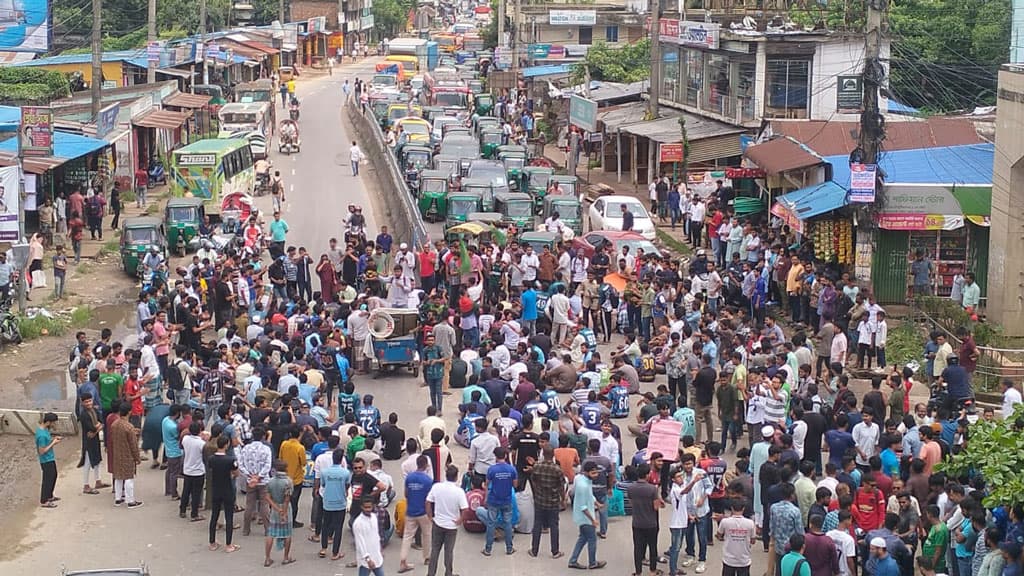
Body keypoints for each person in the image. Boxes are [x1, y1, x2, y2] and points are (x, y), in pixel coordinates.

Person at [426, 465, 469, 576]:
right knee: (448, 551)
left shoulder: (437, 487)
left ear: (446, 475)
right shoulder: (459, 492)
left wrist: (430, 516)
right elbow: (465, 509)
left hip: (438, 523)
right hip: (451, 526)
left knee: (435, 549)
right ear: (456, 477)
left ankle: (431, 573)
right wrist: (460, 520)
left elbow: (428, 501)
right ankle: (448, 573)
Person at [568, 461, 608, 570]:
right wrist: (593, 520)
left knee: (582, 538)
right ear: (586, 472)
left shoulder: (580, 479)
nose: (595, 475)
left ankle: (573, 560)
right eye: (593, 473)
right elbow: (583, 507)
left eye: (596, 473)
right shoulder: (583, 486)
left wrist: (597, 503)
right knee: (592, 539)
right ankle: (592, 562)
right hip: (586, 517)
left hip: (583, 516)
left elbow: (589, 495)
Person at [530, 445, 566, 559]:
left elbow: (533, 480)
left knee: (537, 525)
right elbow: (561, 486)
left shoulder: (537, 466)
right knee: (554, 526)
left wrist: (537, 492)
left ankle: (534, 550)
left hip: (540, 500)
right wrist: (563, 499)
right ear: (553, 455)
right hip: (553, 501)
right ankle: (555, 551)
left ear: (543, 454)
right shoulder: (557, 469)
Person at [480, 446, 517, 556]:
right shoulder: (511, 469)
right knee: (508, 524)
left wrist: (486, 499)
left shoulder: (492, 469)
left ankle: (488, 549)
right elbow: (515, 484)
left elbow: (487, 485)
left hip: (494, 500)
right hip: (507, 500)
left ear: (495, 457)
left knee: (491, 524)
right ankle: (509, 548)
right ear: (505, 456)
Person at [400, 455, 433, 572]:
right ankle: (427, 557)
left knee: (407, 536)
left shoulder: (409, 477)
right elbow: (430, 500)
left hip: (410, 511)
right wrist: (431, 515)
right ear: (425, 465)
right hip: (423, 512)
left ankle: (403, 560)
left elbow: (406, 494)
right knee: (427, 534)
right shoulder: (428, 481)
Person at [208, 434, 240, 552]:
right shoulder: (231, 460)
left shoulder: (211, 459)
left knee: (214, 516)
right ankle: (229, 544)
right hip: (227, 489)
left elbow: (211, 470)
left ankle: (212, 542)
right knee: (229, 516)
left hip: (216, 489)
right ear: (226, 445)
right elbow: (236, 473)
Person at [109, 402, 143, 508]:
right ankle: (130, 500)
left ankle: (118, 499)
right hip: (127, 454)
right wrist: (137, 457)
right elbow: (133, 445)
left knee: (118, 476)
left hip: (117, 453)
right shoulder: (128, 426)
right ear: (129, 412)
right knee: (129, 477)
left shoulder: (114, 424)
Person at [264, 459, 297, 567]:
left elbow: (267, 497)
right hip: (285, 508)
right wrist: (283, 513)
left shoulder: (270, 481)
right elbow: (287, 499)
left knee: (271, 533)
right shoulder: (288, 481)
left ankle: (267, 558)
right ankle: (286, 557)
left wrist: (276, 508)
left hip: (274, 508)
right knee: (287, 534)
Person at [716, 498, 758, 576]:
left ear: (732, 508)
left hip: (729, 559)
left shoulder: (725, 522)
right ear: (743, 508)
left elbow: (719, 535)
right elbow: (753, 541)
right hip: (744, 559)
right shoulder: (750, 523)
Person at [354, 498, 386, 576]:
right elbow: (359, 543)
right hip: (365, 559)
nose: (368, 509)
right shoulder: (358, 523)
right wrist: (367, 559)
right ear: (362, 507)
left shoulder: (374, 517)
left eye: (369, 507)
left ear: (373, 506)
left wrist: (380, 549)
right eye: (366, 507)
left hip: (376, 555)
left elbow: (376, 535)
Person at [36, 412, 62, 508]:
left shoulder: (45, 430)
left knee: (53, 475)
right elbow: (42, 451)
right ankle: (44, 500)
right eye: (53, 423)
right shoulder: (41, 435)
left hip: (50, 458)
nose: (54, 425)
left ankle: (49, 495)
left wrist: (53, 439)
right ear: (48, 422)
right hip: (46, 460)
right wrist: (53, 443)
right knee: (47, 479)